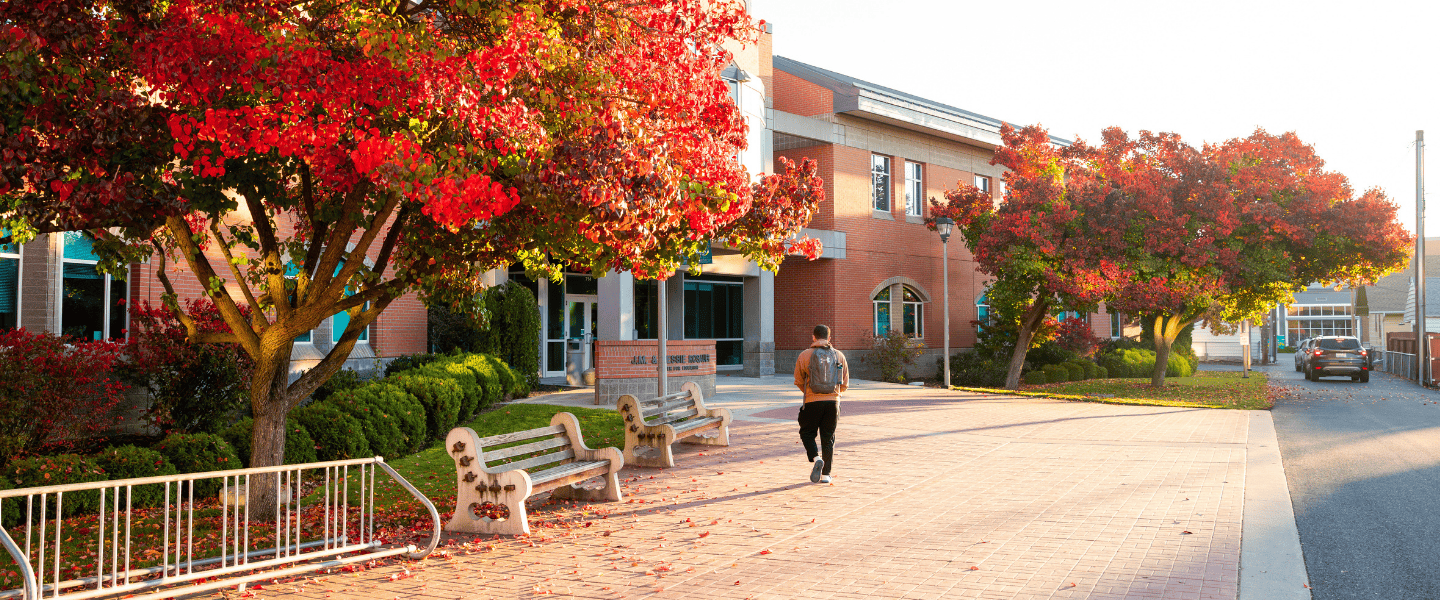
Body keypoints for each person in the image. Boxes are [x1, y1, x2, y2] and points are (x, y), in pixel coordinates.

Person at [794, 324, 848, 484]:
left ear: (813, 337)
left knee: (807, 433)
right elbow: (844, 383)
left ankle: (816, 458)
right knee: (828, 437)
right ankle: (826, 475)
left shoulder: (805, 355)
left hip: (812, 402)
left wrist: (810, 393)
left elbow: (798, 380)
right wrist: (835, 395)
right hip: (833, 403)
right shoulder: (839, 356)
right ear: (829, 338)